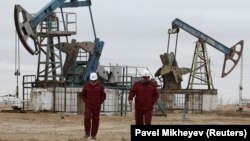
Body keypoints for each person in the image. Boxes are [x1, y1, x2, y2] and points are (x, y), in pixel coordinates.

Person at [81, 72, 106, 140]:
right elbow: (83, 95)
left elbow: (103, 96)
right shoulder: (86, 86)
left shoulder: (100, 87)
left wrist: (99, 102)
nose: (93, 82)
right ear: (90, 80)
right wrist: (86, 101)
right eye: (92, 81)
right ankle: (87, 133)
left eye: (94, 81)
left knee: (95, 120)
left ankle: (93, 135)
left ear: (97, 80)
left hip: (96, 107)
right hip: (88, 106)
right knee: (87, 118)